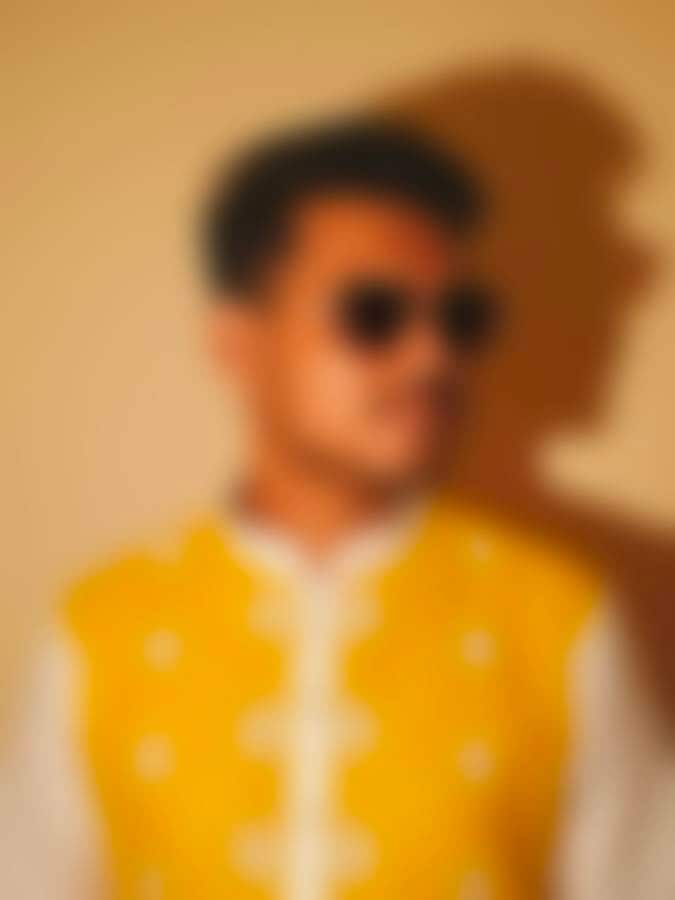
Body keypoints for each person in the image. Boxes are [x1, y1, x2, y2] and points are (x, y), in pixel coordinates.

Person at [2, 117, 674, 900]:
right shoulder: (102, 629)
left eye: (458, 319)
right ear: (239, 342)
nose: (432, 356)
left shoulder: (559, 619)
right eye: (374, 313)